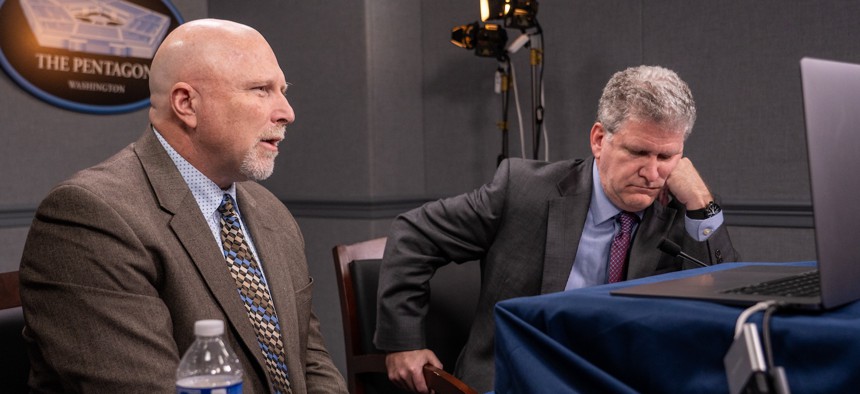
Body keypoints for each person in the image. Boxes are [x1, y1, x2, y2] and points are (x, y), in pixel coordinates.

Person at [18, 19, 347, 394]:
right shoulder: (89, 216)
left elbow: (309, 364)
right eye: (261, 90)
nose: (287, 112)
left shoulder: (270, 211)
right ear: (186, 103)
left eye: (283, 91)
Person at [374, 65, 740, 393]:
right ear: (599, 139)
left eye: (666, 157)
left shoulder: (684, 210)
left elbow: (723, 300)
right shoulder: (522, 190)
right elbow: (413, 234)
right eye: (639, 153)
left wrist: (701, 203)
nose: (652, 173)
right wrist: (402, 342)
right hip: (515, 379)